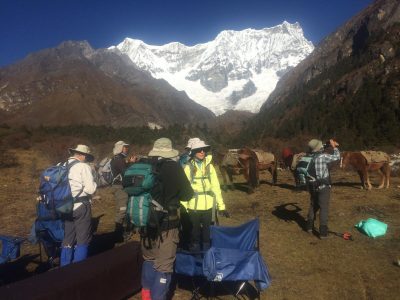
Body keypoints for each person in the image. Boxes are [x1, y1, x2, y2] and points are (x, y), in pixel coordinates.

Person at [141, 138, 193, 300]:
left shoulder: (145, 165)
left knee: (149, 259)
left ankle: (146, 296)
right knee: (164, 266)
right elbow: (187, 194)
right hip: (167, 223)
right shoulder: (174, 167)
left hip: (145, 221)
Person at [182, 139, 229, 251]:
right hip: (193, 206)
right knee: (195, 232)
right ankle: (196, 255)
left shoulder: (210, 167)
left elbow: (216, 187)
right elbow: (184, 189)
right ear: (193, 152)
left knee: (207, 232)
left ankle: (207, 254)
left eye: (203, 150)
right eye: (199, 150)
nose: (202, 152)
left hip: (208, 206)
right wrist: (184, 207)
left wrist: (221, 206)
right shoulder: (188, 168)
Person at [60, 144, 97, 266]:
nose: (86, 159)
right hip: (80, 205)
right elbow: (91, 189)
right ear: (82, 155)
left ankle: (64, 266)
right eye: (86, 156)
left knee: (68, 237)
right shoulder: (83, 166)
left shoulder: (61, 165)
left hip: (64, 206)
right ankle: (78, 270)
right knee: (83, 238)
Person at [305, 139, 340, 239]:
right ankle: (323, 233)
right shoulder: (322, 157)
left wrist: (326, 145)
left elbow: (318, 148)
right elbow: (337, 157)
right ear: (318, 148)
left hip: (311, 185)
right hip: (323, 186)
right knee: (323, 208)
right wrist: (334, 147)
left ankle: (309, 227)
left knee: (313, 205)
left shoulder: (307, 156)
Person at [110, 140, 137, 242]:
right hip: (120, 187)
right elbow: (126, 173)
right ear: (120, 148)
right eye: (125, 147)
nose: (127, 149)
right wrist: (132, 164)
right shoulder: (118, 159)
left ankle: (120, 233)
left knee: (120, 209)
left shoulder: (118, 159)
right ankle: (118, 235)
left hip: (118, 186)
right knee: (122, 209)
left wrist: (129, 162)